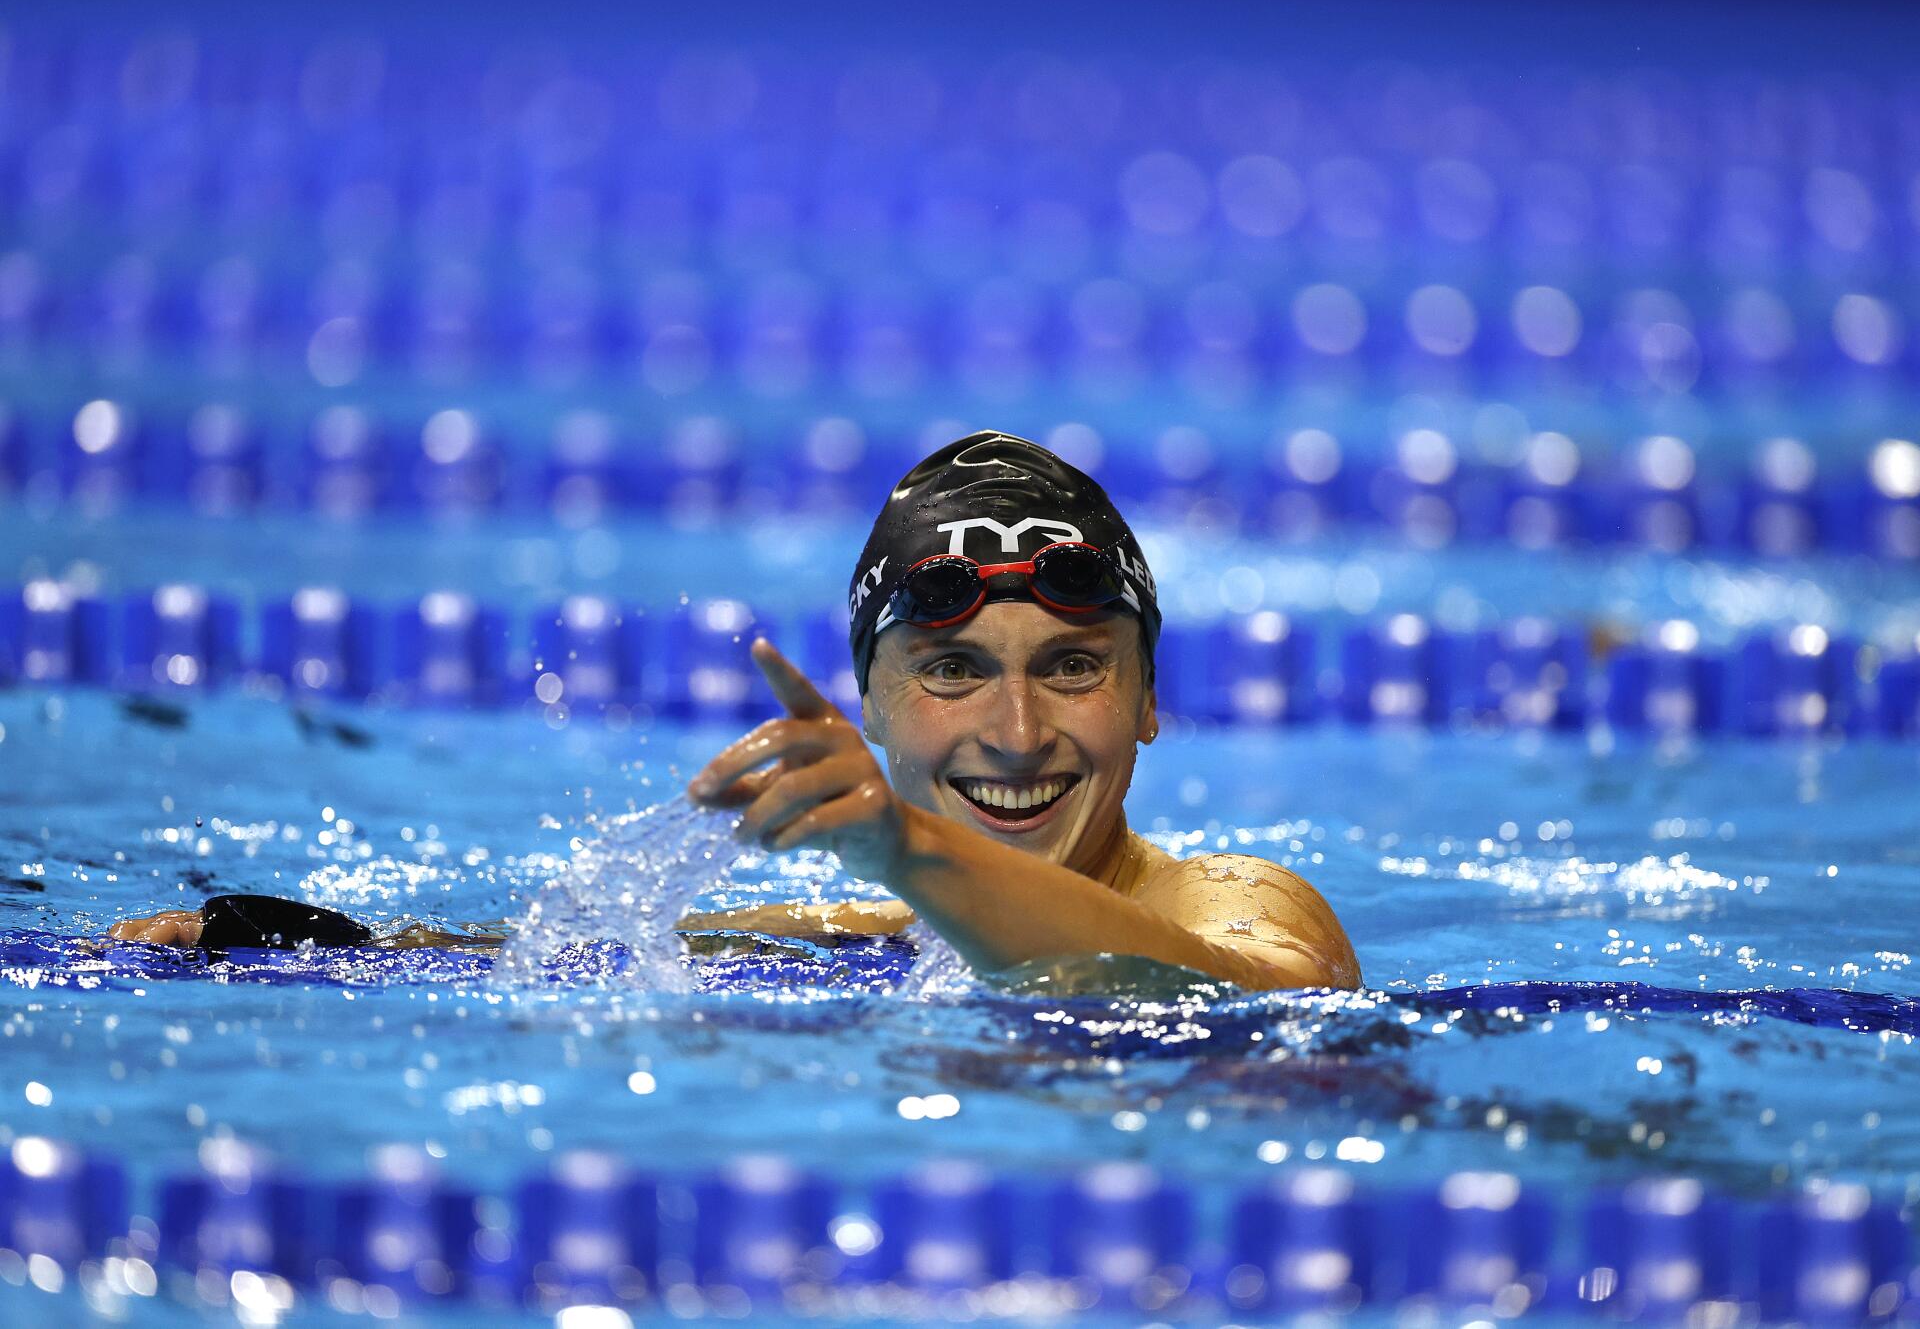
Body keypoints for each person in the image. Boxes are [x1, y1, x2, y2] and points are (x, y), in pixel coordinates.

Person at [109, 432, 1361, 992]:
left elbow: (1268, 1001)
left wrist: (904, 844)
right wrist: (316, 944)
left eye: (1073, 666)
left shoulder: (1236, 902)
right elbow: (594, 950)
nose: (1018, 729)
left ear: (1150, 698)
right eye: (952, 667)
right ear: (868, 704)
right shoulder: (883, 930)